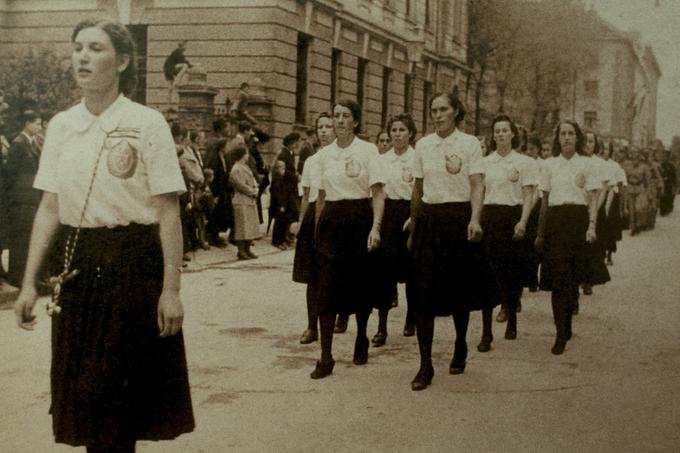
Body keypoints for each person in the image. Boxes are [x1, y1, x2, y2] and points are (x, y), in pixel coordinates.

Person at [13, 19, 194, 452]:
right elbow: (50, 209)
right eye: (77, 47)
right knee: (86, 403)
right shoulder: (60, 126)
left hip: (132, 263)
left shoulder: (146, 123)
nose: (82, 57)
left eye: (95, 48)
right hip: (77, 267)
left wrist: (172, 291)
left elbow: (168, 212)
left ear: (124, 60)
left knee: (118, 403)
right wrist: (26, 285)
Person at [406, 92, 495, 391]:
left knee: (458, 291)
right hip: (430, 222)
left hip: (459, 220)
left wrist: (474, 218)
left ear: (456, 112)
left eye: (444, 109)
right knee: (422, 294)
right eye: (433, 110)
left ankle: (460, 345)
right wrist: (414, 222)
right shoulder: (423, 145)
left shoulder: (469, 144)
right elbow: (418, 188)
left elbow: (477, 184)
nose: (438, 115)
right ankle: (425, 365)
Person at [309, 98, 385, 379]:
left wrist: (375, 227)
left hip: (359, 218)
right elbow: (319, 197)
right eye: (336, 115)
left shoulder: (368, 150)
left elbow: (377, 192)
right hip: (331, 221)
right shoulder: (324, 155)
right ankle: (326, 356)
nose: (339, 120)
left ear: (355, 121)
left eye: (345, 116)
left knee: (360, 286)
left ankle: (362, 336)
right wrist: (316, 230)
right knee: (326, 289)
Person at [535, 121, 601, 355]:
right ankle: (560, 333)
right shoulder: (550, 165)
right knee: (558, 280)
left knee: (572, 278)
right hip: (555, 222)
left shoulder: (586, 164)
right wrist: (540, 233)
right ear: (557, 138)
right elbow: (544, 202)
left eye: (571, 133)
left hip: (578, 221)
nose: (566, 138)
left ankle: (568, 321)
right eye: (562, 134)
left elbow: (592, 198)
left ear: (578, 138)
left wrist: (592, 225)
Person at [477, 115, 538, 352]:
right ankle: (486, 333)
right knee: (487, 275)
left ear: (513, 134)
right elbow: (480, 194)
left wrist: (523, 221)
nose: (501, 134)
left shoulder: (524, 163)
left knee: (511, 273)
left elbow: (528, 194)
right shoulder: (485, 162)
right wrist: (477, 220)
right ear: (493, 136)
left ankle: (512, 318)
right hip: (490, 218)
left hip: (513, 218)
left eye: (505, 130)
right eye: (497, 131)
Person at [372, 113, 418, 347]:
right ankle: (381, 327)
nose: (397, 134)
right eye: (394, 130)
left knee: (411, 271)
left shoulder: (417, 158)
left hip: (410, 214)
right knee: (384, 272)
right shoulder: (382, 159)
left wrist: (414, 217)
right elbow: (378, 192)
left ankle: (411, 319)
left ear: (410, 133)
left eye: (402, 130)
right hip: (389, 215)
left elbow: (422, 191)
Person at [293, 113, 335, 345]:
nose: (324, 131)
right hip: (312, 218)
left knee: (335, 274)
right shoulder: (311, 161)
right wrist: (300, 224)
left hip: (334, 214)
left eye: (329, 126)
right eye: (320, 127)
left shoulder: (341, 158)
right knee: (313, 276)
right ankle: (312, 326)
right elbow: (306, 195)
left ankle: (339, 318)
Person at [4, 109, 43, 288]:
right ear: (27, 124)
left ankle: (25, 277)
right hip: (20, 200)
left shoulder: (33, 143)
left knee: (28, 238)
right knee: (20, 239)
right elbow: (10, 175)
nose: (39, 126)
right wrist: (12, 200)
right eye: (36, 122)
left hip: (31, 198)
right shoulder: (18, 144)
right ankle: (16, 276)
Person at [579, 131, 611, 297]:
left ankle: (589, 280)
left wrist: (596, 207)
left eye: (591, 141)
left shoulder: (601, 164)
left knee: (593, 247)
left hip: (595, 209)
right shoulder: (577, 161)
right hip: (579, 207)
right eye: (585, 141)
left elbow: (604, 189)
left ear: (595, 144)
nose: (588, 144)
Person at [229, 144, 260, 260]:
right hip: (241, 200)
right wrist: (252, 191)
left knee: (250, 226)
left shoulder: (245, 167)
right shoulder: (236, 168)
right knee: (242, 227)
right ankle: (241, 251)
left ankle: (247, 249)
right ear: (242, 155)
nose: (248, 155)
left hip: (249, 200)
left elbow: (252, 181)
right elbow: (240, 185)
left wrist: (256, 188)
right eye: (246, 153)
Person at [622, 147, 650, 235]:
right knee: (631, 209)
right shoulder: (627, 167)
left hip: (640, 189)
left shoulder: (644, 167)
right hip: (630, 189)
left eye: (637, 158)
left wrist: (647, 192)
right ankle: (633, 227)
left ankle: (638, 224)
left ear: (639, 159)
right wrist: (624, 190)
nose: (635, 160)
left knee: (638, 208)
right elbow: (625, 179)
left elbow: (647, 180)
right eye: (633, 158)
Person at [162, 40, 191, 108]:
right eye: (186, 45)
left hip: (167, 69)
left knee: (170, 88)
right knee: (185, 66)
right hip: (171, 68)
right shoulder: (179, 52)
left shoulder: (177, 52)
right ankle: (177, 80)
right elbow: (185, 63)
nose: (186, 47)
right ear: (183, 46)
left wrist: (192, 65)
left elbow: (184, 61)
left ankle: (169, 105)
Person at [659, 150, 677, 216]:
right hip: (662, 183)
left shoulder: (672, 165)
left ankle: (668, 209)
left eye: (667, 156)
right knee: (662, 197)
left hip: (669, 184)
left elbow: (674, 176)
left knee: (669, 197)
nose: (665, 158)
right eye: (664, 156)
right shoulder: (661, 164)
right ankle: (662, 210)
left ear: (669, 157)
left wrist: (675, 185)